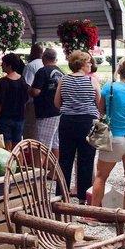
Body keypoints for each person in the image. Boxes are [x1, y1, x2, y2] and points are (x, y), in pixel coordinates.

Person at [91, 57, 125, 212]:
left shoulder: (110, 87)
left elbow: (101, 110)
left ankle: (92, 214)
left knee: (101, 176)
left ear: (119, 70)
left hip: (114, 138)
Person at [54, 50, 100, 204]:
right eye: (88, 62)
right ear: (81, 64)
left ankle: (61, 196)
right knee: (86, 160)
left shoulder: (63, 79)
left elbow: (57, 103)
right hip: (88, 123)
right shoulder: (92, 81)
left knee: (65, 159)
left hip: (67, 122)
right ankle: (83, 198)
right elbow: (99, 104)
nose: (91, 65)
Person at [28, 48, 63, 158]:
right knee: (55, 144)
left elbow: (36, 91)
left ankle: (40, 173)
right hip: (59, 112)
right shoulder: (60, 72)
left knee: (42, 145)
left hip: (45, 112)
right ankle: (54, 172)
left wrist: (28, 89)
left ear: (43, 58)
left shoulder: (42, 71)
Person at [0, 53, 29, 150]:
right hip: (19, 119)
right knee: (17, 147)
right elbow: (25, 100)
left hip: (5, 120)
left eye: (3, 63)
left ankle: (9, 164)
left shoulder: (3, 82)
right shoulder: (22, 80)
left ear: (9, 65)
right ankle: (18, 164)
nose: (1, 65)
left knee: (6, 147)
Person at [22, 44, 44, 140]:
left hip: (32, 103)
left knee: (30, 130)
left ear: (32, 52)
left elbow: (26, 85)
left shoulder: (31, 66)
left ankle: (30, 153)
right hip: (45, 104)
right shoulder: (45, 64)